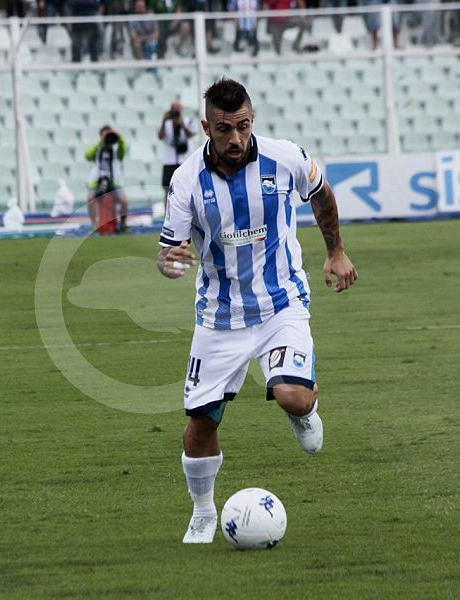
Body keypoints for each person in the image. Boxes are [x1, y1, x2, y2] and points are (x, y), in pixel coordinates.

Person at [156, 78, 357, 544]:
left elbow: (322, 193)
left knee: (293, 397)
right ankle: (204, 511)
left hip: (280, 304)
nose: (235, 138)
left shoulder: (285, 157)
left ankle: (305, 410)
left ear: (252, 121)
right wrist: (171, 265)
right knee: (202, 420)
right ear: (206, 126)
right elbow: (169, 254)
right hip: (218, 317)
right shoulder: (186, 181)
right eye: (224, 128)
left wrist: (336, 251)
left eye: (243, 126)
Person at [85, 125, 129, 233]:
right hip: (97, 181)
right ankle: (94, 225)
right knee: (90, 199)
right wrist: (100, 143)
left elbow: (122, 152)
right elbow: (87, 156)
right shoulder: (97, 149)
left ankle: (123, 224)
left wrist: (119, 137)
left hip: (114, 181)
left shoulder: (116, 151)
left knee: (124, 200)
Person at [158, 99, 196, 211]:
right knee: (167, 189)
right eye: (173, 109)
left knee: (187, 188)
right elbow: (160, 136)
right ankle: (167, 215)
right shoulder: (166, 123)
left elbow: (191, 134)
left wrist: (182, 125)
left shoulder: (188, 121)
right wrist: (164, 120)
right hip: (169, 160)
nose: (175, 111)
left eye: (177, 109)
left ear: (182, 109)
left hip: (184, 160)